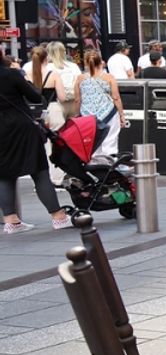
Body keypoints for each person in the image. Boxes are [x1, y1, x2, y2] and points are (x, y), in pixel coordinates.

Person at [1, 53, 71, 234]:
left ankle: (11, 221)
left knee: (5, 175)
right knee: (39, 171)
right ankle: (58, 217)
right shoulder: (12, 74)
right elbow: (34, 97)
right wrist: (23, 78)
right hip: (21, 127)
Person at [74, 50, 128, 164]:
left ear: (86, 63)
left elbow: (77, 99)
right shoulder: (108, 77)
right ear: (101, 63)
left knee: (93, 142)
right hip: (108, 113)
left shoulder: (80, 78)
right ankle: (110, 166)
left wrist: (76, 114)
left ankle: (94, 167)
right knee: (110, 141)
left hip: (87, 116)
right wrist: (122, 115)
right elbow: (116, 97)